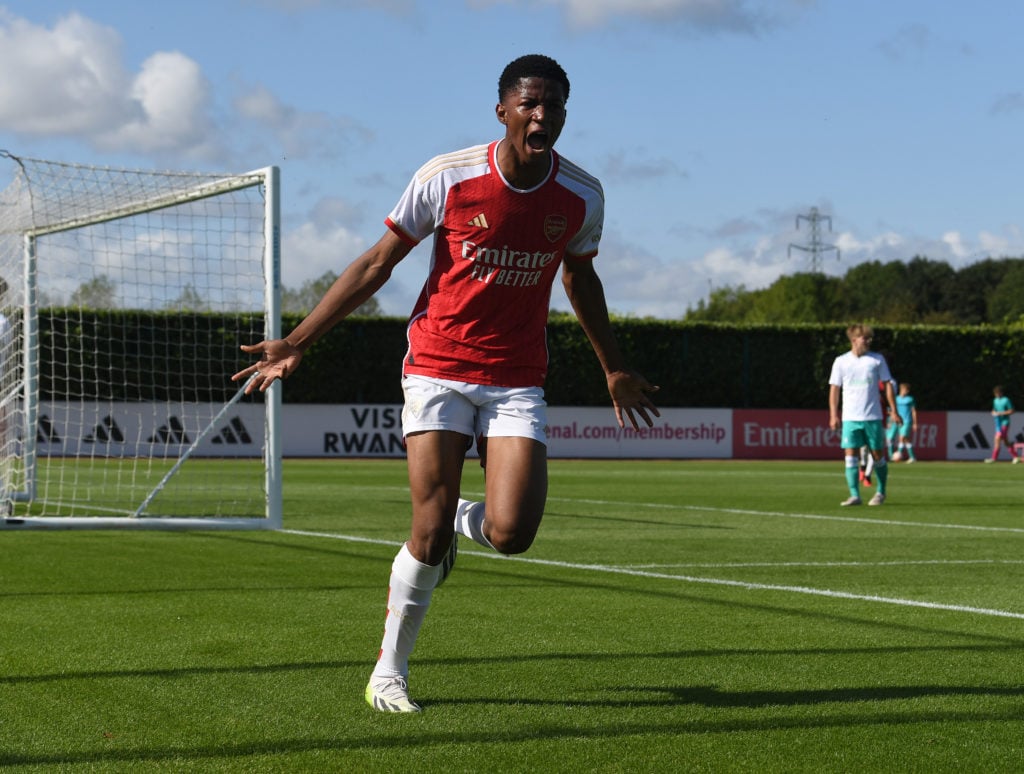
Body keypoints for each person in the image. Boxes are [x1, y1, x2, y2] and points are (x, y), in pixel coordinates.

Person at [232, 54, 660, 713]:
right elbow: (377, 263)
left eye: (554, 106)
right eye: (530, 104)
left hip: (517, 379)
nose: (542, 114)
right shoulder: (448, 176)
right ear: (503, 112)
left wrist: (613, 366)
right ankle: (389, 673)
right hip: (437, 365)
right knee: (426, 534)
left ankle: (467, 517)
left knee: (513, 533)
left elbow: (579, 278)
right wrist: (297, 341)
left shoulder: (582, 195)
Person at [828, 324, 900, 506]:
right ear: (854, 340)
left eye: (869, 338)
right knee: (850, 456)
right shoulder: (841, 361)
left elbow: (888, 385)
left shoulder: (876, 360)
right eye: (865, 338)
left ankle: (881, 492)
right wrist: (833, 414)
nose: (868, 341)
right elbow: (834, 389)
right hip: (850, 417)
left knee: (878, 456)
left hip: (873, 417)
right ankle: (854, 495)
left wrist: (893, 409)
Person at [985, 385, 1019, 463]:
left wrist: (1001, 413)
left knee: (997, 438)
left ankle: (994, 458)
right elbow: (994, 410)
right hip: (998, 424)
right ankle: (1015, 456)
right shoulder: (995, 400)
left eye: (998, 393)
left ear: (1001, 393)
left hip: (1005, 423)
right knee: (1005, 441)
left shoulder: (1006, 400)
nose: (996, 395)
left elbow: (1012, 410)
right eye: (995, 394)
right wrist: (993, 413)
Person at [892, 382, 918, 462]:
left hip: (907, 421)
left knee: (902, 437)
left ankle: (898, 454)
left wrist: (915, 423)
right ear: (901, 390)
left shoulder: (910, 399)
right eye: (905, 390)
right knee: (906, 439)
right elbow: (892, 409)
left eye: (907, 390)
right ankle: (913, 457)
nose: (906, 392)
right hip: (899, 421)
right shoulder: (896, 399)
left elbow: (914, 411)